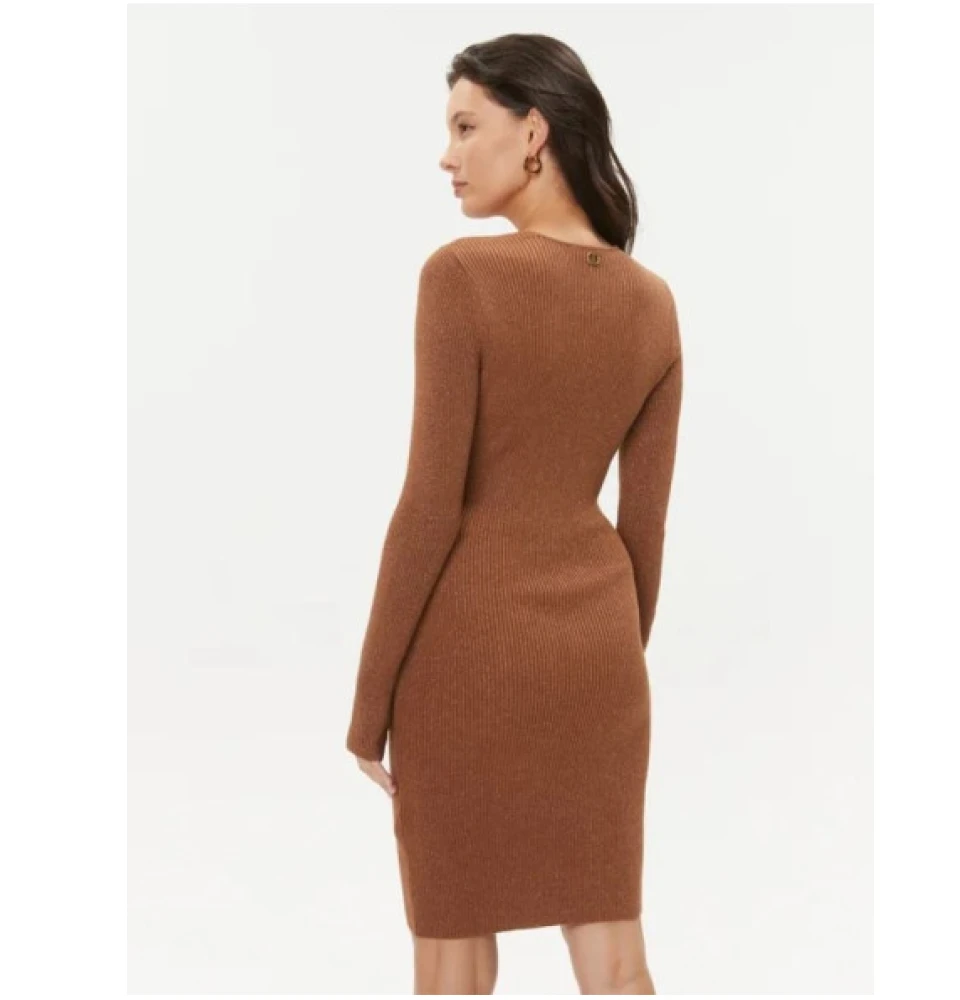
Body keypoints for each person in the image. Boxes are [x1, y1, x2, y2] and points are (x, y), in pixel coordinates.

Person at [345, 33, 684, 995]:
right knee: (616, 959)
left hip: (464, 662)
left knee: (452, 960)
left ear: (533, 133)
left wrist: (370, 709)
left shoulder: (461, 277)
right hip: (600, 663)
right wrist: (600, 663)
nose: (446, 155)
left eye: (465, 127)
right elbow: (644, 532)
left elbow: (429, 506)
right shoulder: (654, 305)